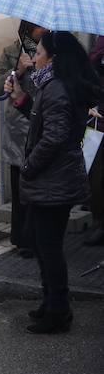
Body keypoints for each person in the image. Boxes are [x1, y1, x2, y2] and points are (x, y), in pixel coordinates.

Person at [5, 30, 100, 334]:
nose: (33, 56)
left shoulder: (57, 87)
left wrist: (30, 165)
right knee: (44, 243)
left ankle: (58, 312)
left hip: (53, 180)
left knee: (49, 248)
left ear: (53, 58)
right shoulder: (53, 85)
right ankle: (51, 303)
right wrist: (20, 99)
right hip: (54, 179)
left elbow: (55, 135)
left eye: (39, 51)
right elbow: (44, 120)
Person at [0, 20, 47, 257]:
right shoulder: (12, 51)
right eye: (37, 26)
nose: (43, 30)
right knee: (20, 185)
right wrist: (18, 70)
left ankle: (40, 238)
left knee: (40, 183)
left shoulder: (54, 50)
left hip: (43, 123)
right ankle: (22, 238)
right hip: (18, 127)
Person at [84, 35, 104, 246]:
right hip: (97, 118)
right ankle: (99, 222)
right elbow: (90, 66)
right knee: (95, 174)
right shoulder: (100, 39)